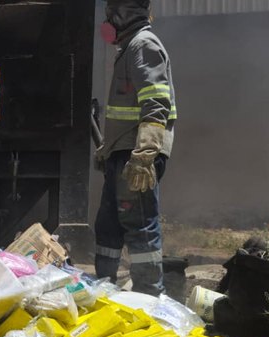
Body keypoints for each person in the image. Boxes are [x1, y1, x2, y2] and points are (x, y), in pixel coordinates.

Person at [93, 0, 176, 296]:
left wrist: (144, 156)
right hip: (124, 153)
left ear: (124, 13)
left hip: (137, 157)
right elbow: (125, 113)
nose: (108, 19)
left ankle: (150, 299)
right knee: (109, 227)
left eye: (111, 12)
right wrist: (108, 149)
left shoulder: (144, 45)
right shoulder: (129, 48)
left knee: (139, 227)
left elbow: (156, 104)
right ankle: (103, 290)